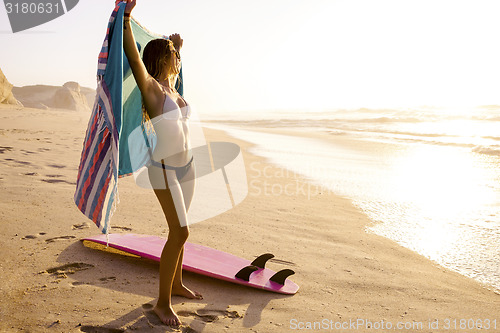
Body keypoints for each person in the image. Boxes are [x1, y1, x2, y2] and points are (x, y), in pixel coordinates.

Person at [123, 0, 202, 326]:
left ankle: (177, 282)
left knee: (182, 231)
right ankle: (161, 303)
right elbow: (133, 57)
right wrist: (126, 18)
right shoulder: (153, 89)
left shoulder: (174, 89)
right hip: (164, 168)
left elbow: (178, 84)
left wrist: (179, 46)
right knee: (179, 232)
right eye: (173, 54)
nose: (177, 59)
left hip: (187, 166)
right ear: (161, 57)